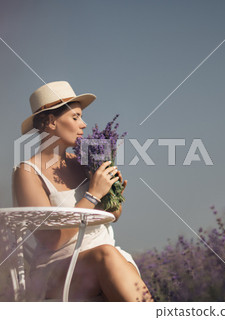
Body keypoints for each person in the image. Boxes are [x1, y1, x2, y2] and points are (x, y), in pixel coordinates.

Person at [12, 81, 153, 302]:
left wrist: (113, 197)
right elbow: (52, 240)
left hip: (109, 260)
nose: (84, 124)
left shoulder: (84, 163)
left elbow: (112, 217)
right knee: (106, 255)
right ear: (50, 122)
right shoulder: (27, 172)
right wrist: (92, 196)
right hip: (58, 271)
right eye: (75, 117)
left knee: (113, 258)